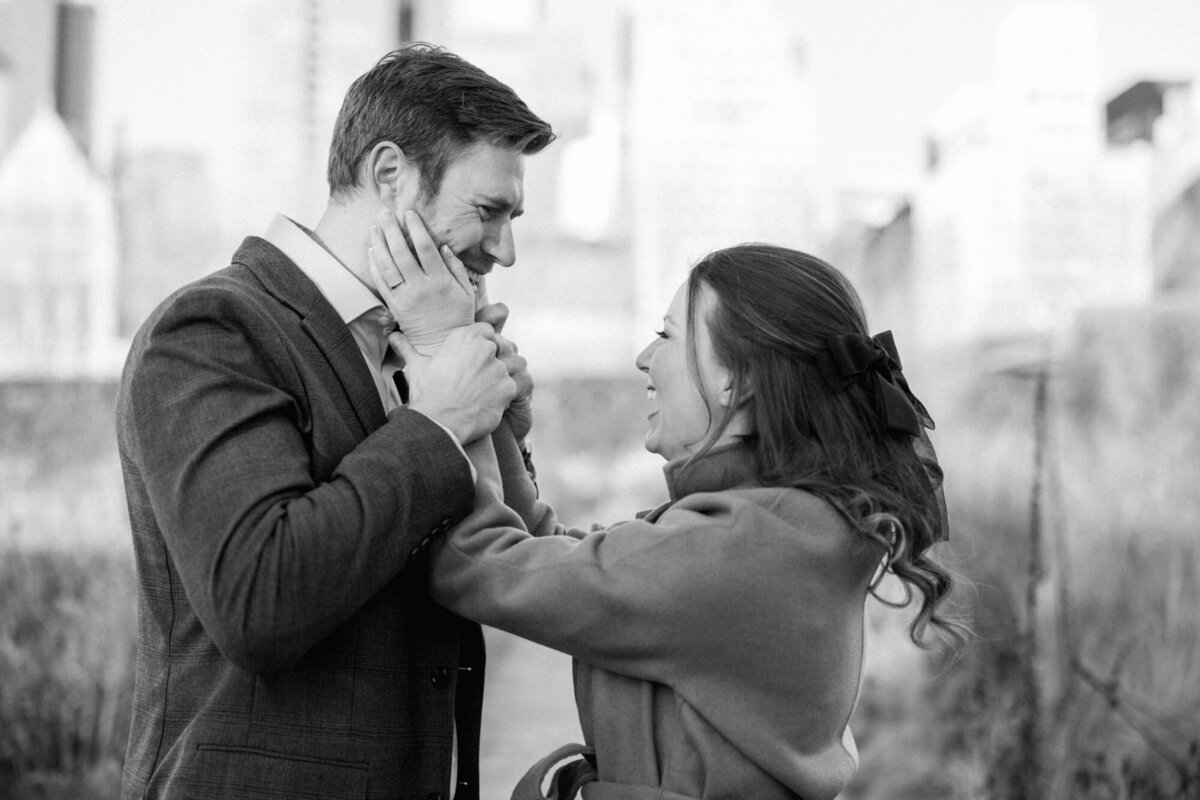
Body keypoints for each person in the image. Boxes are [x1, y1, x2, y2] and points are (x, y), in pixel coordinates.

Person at [115, 44, 553, 800]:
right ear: (390, 176)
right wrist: (437, 424)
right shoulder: (214, 328)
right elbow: (259, 598)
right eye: (489, 211)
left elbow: (521, 562)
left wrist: (493, 417)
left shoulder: (424, 336)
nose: (504, 250)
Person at [393, 243, 962, 800]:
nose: (645, 356)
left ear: (735, 379)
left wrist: (446, 376)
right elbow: (561, 564)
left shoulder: (743, 546)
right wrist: (499, 426)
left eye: (667, 336)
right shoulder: (786, 524)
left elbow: (479, 565)